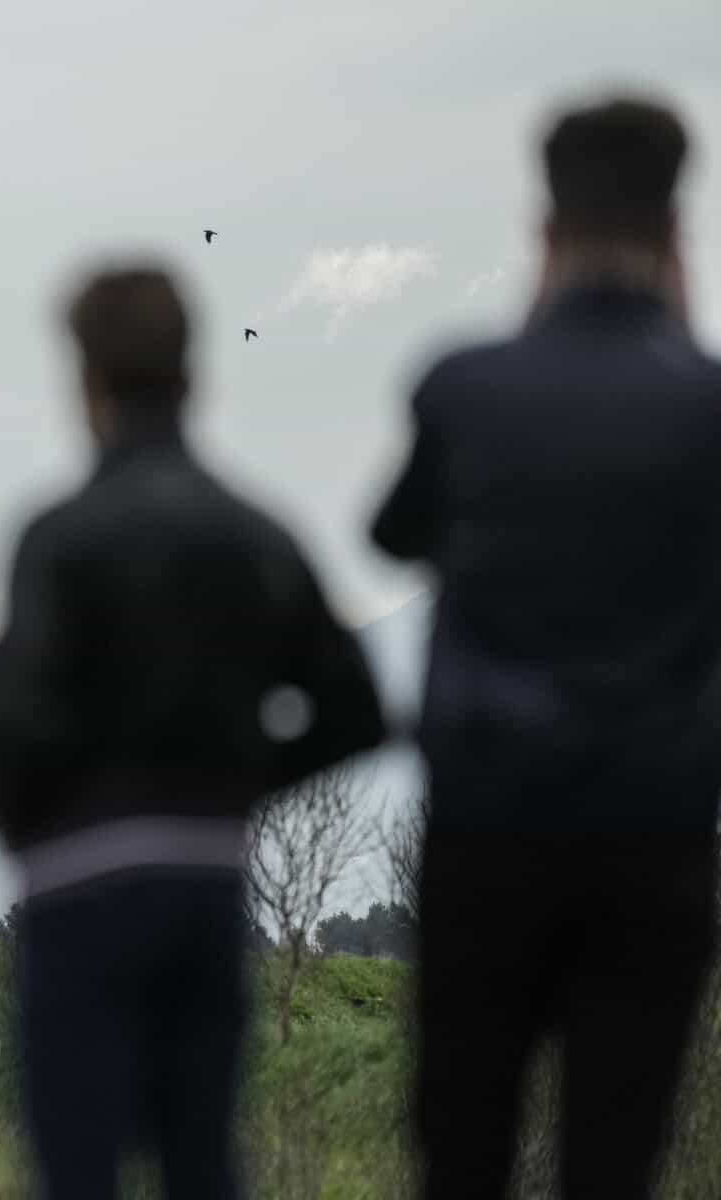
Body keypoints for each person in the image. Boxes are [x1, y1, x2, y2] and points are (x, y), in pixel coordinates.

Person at [0, 264, 385, 1198]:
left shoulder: (58, 538)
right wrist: (238, 783)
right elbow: (357, 708)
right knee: (203, 1160)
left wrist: (38, 832)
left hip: (76, 882)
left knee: (77, 1170)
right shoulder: (255, 534)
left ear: (84, 382)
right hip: (204, 877)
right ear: (195, 377)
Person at [370, 93, 720, 1199]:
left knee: (462, 1148)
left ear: (544, 233)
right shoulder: (706, 408)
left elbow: (393, 534)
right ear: (677, 234)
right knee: (614, 1160)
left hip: (489, 826)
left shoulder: (464, 387)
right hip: (658, 831)